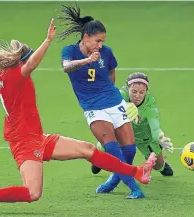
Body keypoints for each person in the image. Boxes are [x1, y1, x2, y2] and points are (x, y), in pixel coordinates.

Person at [0, 19, 157, 214]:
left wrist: (19, 50)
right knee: (32, 193)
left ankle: (137, 172)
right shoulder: (15, 76)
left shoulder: (4, 74)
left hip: (36, 137)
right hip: (25, 143)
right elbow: (32, 64)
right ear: (21, 63)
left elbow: (25, 61)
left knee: (87, 150)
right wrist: (48, 40)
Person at [58, 4, 146, 199]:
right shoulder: (70, 51)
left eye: (102, 41)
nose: (100, 45)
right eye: (97, 41)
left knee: (129, 150)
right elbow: (66, 68)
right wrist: (86, 61)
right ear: (86, 37)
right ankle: (135, 189)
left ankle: (114, 180)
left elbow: (111, 70)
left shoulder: (106, 52)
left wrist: (110, 91)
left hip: (114, 102)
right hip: (93, 107)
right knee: (112, 147)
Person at [91, 72, 174, 194]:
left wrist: (160, 138)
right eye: (134, 91)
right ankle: (99, 161)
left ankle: (162, 166)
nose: (137, 96)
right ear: (127, 88)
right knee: (105, 143)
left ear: (146, 91)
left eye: (141, 92)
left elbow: (155, 127)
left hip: (144, 137)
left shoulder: (150, 106)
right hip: (122, 132)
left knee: (158, 165)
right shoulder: (118, 97)